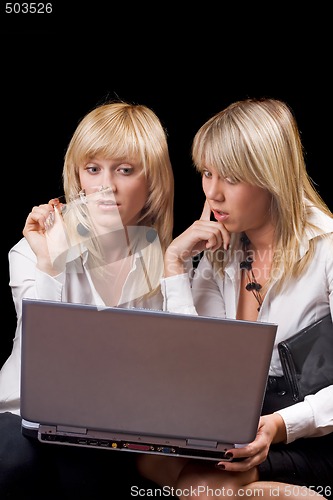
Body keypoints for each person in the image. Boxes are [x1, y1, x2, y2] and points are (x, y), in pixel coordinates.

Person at [137, 98, 333, 499]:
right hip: (244, 427)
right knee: (144, 457)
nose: (212, 193)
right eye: (207, 174)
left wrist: (280, 425)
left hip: (312, 430)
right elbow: (194, 365)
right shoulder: (221, 251)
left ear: (269, 175)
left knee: (205, 486)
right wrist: (174, 264)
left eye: (230, 178)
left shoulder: (328, 247)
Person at [0, 100, 174, 498]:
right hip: (23, 418)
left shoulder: (165, 266)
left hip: (108, 430)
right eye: (92, 169)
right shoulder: (30, 252)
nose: (104, 186)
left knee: (95, 473)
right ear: (78, 177)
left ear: (153, 181)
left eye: (124, 170)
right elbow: (49, 357)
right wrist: (49, 262)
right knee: (18, 461)